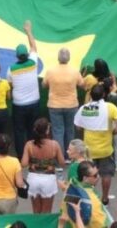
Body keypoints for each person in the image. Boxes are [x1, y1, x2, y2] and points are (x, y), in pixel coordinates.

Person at [74, 83, 117, 204]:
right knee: (106, 174)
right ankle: (105, 197)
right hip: (106, 149)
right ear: (104, 94)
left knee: (88, 174)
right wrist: (111, 132)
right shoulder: (110, 107)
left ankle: (90, 197)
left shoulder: (84, 108)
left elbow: (78, 127)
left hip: (89, 150)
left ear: (90, 95)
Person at [9, 21, 41, 157]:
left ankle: (22, 155)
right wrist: (28, 31)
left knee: (19, 130)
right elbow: (33, 46)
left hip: (19, 104)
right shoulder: (33, 62)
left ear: (16, 56)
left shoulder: (11, 70)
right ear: (26, 55)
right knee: (32, 129)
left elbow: (11, 85)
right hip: (34, 102)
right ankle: (32, 153)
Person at [20, 118, 64, 214]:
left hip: (33, 179)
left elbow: (23, 164)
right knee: (46, 211)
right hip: (49, 180)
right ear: (47, 130)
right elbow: (62, 163)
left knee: (36, 211)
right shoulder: (54, 144)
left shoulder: (29, 145)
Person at [45, 47, 84, 154]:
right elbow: (82, 84)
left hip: (54, 105)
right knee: (70, 130)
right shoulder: (75, 71)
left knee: (57, 131)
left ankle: (59, 158)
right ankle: (70, 156)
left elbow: (44, 84)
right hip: (71, 105)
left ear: (58, 58)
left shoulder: (50, 71)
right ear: (69, 58)